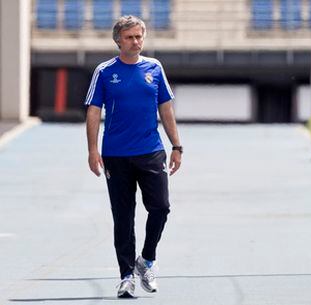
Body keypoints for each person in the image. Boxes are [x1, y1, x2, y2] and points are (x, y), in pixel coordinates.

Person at [85, 15, 182, 298]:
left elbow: (165, 107)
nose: (136, 41)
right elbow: (93, 112)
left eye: (139, 36)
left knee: (161, 208)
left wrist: (176, 146)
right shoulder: (104, 71)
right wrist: (92, 150)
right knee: (123, 217)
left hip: (151, 151)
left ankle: (146, 261)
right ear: (118, 41)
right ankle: (126, 275)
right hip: (116, 155)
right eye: (130, 37)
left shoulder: (154, 67)